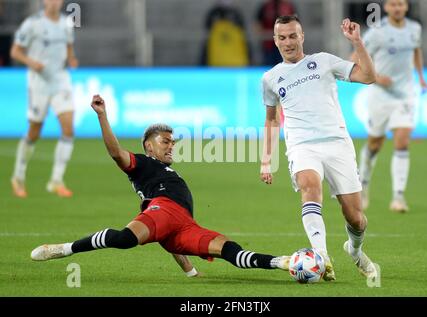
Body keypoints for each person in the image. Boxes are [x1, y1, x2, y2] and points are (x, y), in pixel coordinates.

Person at [30, 95, 290, 277]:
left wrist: (190, 271)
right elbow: (116, 153)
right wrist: (102, 116)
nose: (171, 146)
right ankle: (64, 249)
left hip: (183, 225)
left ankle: (282, 262)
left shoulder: (166, 172)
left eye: (173, 142)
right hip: (164, 210)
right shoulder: (143, 163)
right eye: (165, 141)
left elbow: (165, 231)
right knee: (125, 239)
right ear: (149, 146)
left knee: (229, 250)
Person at [260, 15, 378, 281]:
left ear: (302, 36)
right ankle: (321, 257)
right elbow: (270, 120)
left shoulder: (324, 61)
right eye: (282, 37)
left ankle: (355, 250)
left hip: (337, 144)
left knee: (356, 218)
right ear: (275, 40)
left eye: (292, 36)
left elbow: (369, 76)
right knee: (310, 187)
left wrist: (357, 42)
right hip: (302, 146)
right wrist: (266, 161)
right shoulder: (270, 78)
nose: (287, 42)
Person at [356, 0, 427, 213]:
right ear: (386, 8)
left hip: (405, 94)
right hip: (379, 95)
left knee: (403, 139)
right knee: (375, 143)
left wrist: (421, 78)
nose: (397, 8)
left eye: (401, 4)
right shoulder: (377, 32)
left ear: (406, 7)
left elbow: (416, 51)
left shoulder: (415, 28)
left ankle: (398, 197)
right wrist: (375, 77)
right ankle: (363, 186)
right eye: (393, 4)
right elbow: (357, 56)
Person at [10, 0, 77, 198]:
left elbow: (69, 46)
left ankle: (56, 180)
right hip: (38, 82)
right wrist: (32, 62)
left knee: (68, 128)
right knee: (34, 131)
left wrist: (72, 59)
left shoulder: (67, 23)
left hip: (60, 80)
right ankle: (18, 176)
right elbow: (15, 51)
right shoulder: (32, 24)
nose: (54, 2)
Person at [201, 0, 250, 66]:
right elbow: (207, 29)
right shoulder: (213, 13)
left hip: (235, 57)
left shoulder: (236, 13)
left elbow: (243, 32)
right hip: (217, 56)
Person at [255, 0, 297, 66]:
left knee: (286, 65)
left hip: (286, 43)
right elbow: (258, 23)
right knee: (269, 66)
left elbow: (295, 23)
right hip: (269, 44)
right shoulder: (265, 7)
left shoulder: (288, 6)